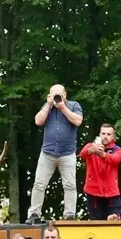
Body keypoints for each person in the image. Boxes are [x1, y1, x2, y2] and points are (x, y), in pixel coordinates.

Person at [27, 83, 84, 223]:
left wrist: (62, 107)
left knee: (70, 185)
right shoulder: (48, 107)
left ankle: (69, 215)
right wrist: (47, 105)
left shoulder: (74, 105)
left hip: (67, 153)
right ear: (49, 96)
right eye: (54, 95)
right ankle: (34, 214)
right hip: (48, 153)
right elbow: (38, 121)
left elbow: (78, 121)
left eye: (60, 94)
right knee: (39, 184)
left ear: (65, 95)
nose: (57, 97)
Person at [80, 123, 121, 220]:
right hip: (93, 192)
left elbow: (115, 159)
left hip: (112, 193)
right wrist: (91, 150)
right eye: (103, 133)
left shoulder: (118, 150)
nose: (105, 136)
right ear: (99, 135)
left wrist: (102, 154)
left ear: (113, 136)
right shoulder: (90, 146)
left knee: (115, 222)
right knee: (96, 224)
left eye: (108, 134)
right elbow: (82, 154)